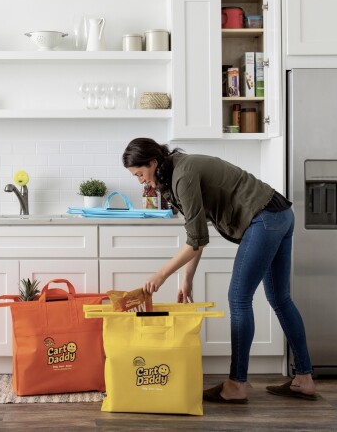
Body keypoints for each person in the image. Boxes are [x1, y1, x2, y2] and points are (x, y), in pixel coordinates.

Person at [122, 137, 317, 403]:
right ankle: (304, 378)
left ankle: (236, 384)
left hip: (264, 218)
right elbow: (197, 234)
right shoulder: (177, 171)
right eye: (136, 176)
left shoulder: (182, 176)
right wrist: (187, 280)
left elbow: (195, 241)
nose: (141, 180)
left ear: (153, 163)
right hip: (280, 214)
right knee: (280, 299)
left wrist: (161, 275)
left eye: (140, 173)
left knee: (239, 299)